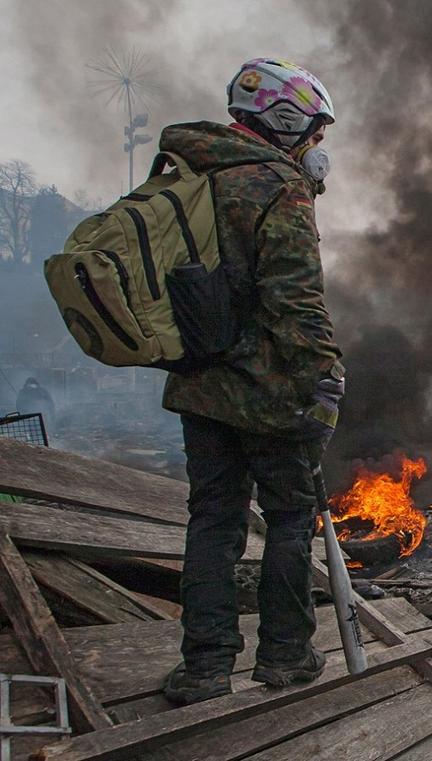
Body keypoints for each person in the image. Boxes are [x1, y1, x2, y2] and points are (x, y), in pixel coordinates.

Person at [160, 59, 344, 705]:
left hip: (199, 386)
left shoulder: (190, 175)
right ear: (287, 122)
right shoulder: (277, 184)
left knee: (212, 519)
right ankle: (287, 657)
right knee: (290, 520)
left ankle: (204, 667)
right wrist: (325, 376)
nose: (317, 150)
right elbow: (295, 298)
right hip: (269, 392)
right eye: (313, 135)